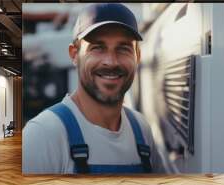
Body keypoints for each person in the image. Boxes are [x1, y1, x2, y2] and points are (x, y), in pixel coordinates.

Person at [23, 3, 164, 174]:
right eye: (97, 48)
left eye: (123, 48)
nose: (111, 62)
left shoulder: (142, 130)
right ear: (74, 55)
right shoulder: (43, 134)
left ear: (138, 56)